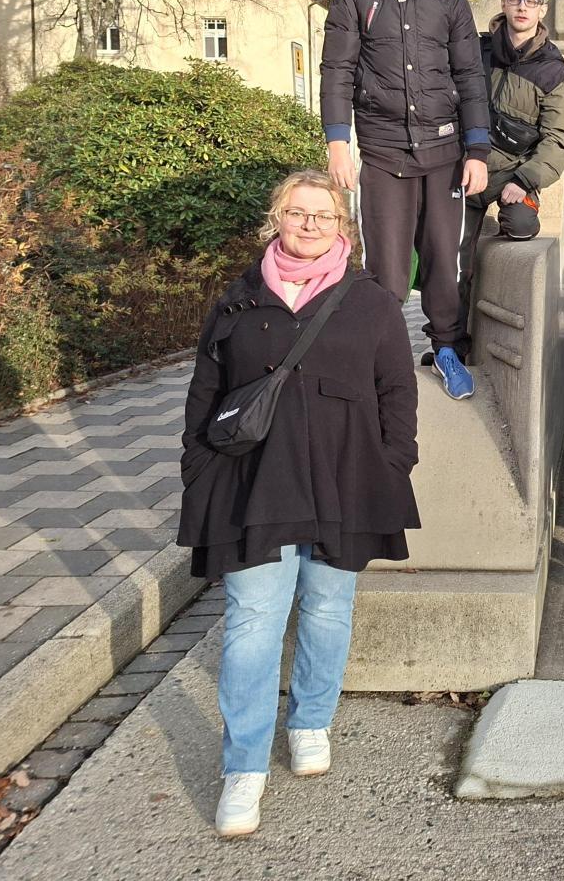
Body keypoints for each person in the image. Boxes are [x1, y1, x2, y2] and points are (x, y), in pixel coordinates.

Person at [177, 170, 420, 838]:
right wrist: (196, 465)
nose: (309, 223)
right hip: (255, 481)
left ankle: (310, 719)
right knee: (253, 617)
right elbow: (205, 388)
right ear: (275, 218)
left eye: (323, 214)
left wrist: (394, 461)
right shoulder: (238, 298)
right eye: (296, 211)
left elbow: (397, 389)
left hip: (346, 477)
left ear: (343, 226)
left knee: (326, 606)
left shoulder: (370, 301)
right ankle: (244, 767)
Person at [321, 0, 491, 400]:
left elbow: (470, 77)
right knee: (387, 268)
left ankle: (447, 350)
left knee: (444, 258)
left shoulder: (450, 2)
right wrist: (336, 140)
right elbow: (338, 71)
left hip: (444, 154)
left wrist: (477, 150)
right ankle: (383, 355)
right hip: (381, 150)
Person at [455, 0, 564, 361]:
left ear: (541, 10)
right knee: (452, 260)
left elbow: (558, 141)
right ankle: (453, 342)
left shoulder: (557, 74)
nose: (522, 7)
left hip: (515, 172)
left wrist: (526, 181)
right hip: (466, 168)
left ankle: (517, 207)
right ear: (504, 5)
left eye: (531, 1)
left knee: (522, 228)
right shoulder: (475, 52)